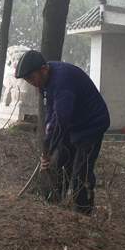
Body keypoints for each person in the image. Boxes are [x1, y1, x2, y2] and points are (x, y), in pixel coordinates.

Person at [15, 50, 110, 214]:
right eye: (27, 80)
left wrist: (48, 149)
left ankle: (83, 213)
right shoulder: (44, 81)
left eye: (31, 78)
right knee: (61, 164)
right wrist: (48, 148)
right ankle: (56, 206)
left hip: (92, 125)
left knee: (81, 172)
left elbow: (61, 119)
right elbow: (51, 112)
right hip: (74, 123)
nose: (31, 82)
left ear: (43, 69)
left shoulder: (62, 82)